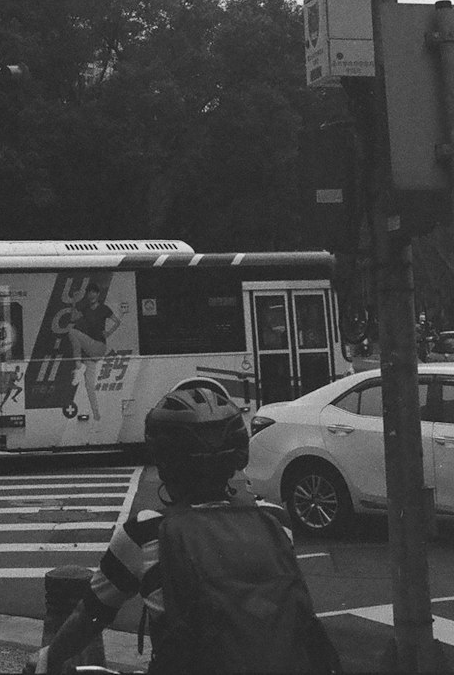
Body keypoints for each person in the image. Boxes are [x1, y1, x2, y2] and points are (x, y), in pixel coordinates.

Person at [26, 380, 340, 674]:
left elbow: (90, 616)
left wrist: (46, 659)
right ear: (237, 456)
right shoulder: (275, 520)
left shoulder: (145, 533)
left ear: (164, 462)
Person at [65, 281, 120, 422]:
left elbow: (117, 321)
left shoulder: (104, 309)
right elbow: (72, 318)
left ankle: (78, 366)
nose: (91, 295)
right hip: (88, 350)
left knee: (72, 332)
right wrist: (74, 302)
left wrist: (108, 333)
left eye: (94, 292)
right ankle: (96, 414)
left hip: (98, 347)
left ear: (98, 294)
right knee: (89, 385)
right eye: (89, 292)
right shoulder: (85, 309)